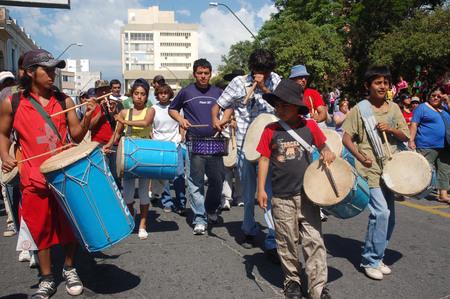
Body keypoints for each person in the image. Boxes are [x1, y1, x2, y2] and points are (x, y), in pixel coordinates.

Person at [0, 49, 96, 298]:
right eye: (48, 69)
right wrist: (6, 157)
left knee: (69, 226)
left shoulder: (65, 101)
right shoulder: (14, 102)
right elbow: (2, 133)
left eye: (55, 69)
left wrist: (89, 119)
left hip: (64, 176)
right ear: (31, 72)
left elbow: (76, 135)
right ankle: (46, 277)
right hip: (32, 177)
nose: (53, 73)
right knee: (39, 229)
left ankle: (69, 267)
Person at [256, 79, 335, 299]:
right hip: (281, 197)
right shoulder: (270, 130)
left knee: (314, 240)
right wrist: (261, 189)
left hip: (308, 196)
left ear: (297, 107)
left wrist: (327, 152)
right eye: (277, 105)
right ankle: (292, 281)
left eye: (285, 105)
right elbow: (263, 160)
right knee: (286, 241)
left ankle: (317, 287)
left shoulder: (310, 127)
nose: (279, 109)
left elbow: (324, 146)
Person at [211, 49, 280, 259]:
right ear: (252, 68)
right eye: (258, 71)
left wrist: (263, 88)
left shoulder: (276, 80)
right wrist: (216, 119)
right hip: (243, 144)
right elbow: (220, 104)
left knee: (269, 192)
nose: (262, 74)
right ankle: (249, 229)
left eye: (265, 71)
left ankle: (272, 239)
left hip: (269, 146)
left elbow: (282, 105)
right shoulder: (239, 82)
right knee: (248, 193)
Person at [342, 66, 410, 280]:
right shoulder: (359, 110)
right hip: (369, 170)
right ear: (368, 86)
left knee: (390, 218)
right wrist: (361, 157)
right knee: (381, 213)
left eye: (386, 83)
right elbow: (346, 138)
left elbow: (405, 135)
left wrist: (390, 129)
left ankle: (378, 255)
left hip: (391, 170)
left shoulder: (395, 109)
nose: (382, 86)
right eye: (378, 82)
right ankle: (369, 260)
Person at [169, 58, 225, 235]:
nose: (203, 76)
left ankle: (211, 208)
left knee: (218, 180)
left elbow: (229, 107)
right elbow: (172, 109)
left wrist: (223, 121)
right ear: (194, 74)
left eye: (206, 73)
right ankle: (199, 218)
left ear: (210, 74)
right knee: (195, 181)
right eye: (200, 73)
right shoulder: (186, 92)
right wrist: (181, 119)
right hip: (194, 142)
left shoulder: (218, 92)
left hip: (215, 142)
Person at [104, 79, 152, 240]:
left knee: (144, 192)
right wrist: (109, 145)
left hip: (145, 153)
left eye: (143, 94)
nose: (139, 97)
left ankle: (143, 224)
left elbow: (146, 122)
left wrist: (124, 121)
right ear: (132, 95)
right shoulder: (125, 112)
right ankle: (131, 212)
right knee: (128, 195)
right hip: (128, 153)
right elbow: (117, 133)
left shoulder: (150, 110)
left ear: (146, 96)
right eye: (136, 93)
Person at [147, 84, 186, 214]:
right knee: (163, 175)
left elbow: (182, 123)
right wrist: (151, 136)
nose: (163, 95)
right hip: (159, 145)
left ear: (170, 94)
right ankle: (167, 202)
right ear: (157, 95)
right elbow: (148, 124)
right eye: (160, 93)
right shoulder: (153, 108)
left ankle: (181, 203)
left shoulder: (176, 107)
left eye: (166, 93)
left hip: (175, 143)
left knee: (179, 174)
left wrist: (182, 136)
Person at [409, 86, 450, 203]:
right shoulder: (422, 108)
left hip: (445, 145)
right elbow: (414, 124)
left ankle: (443, 194)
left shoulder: (446, 108)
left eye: (439, 96)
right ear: (429, 96)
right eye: (433, 95)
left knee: (444, 170)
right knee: (424, 168)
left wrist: (447, 101)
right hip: (427, 144)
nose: (436, 98)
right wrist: (411, 140)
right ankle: (415, 189)